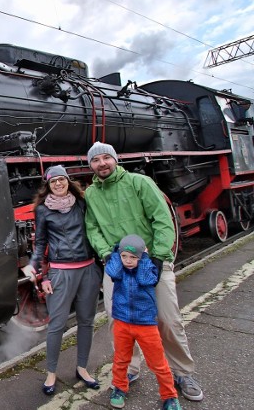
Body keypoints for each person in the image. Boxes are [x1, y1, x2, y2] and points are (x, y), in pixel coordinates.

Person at [84, 141, 203, 402]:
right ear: (90, 165)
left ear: (115, 160)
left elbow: (162, 218)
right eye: (96, 160)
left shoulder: (139, 182)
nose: (102, 163)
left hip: (150, 260)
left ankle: (182, 373)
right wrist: (106, 254)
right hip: (117, 264)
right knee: (119, 321)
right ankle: (129, 369)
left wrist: (160, 256)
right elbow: (92, 228)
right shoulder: (91, 194)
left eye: (106, 157)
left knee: (167, 319)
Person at [22, 165, 102, 396]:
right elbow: (40, 244)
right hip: (60, 272)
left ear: (68, 181)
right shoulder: (43, 210)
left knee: (87, 321)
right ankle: (51, 373)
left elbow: (95, 230)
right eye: (53, 181)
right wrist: (41, 274)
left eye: (61, 179)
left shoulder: (82, 204)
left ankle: (82, 368)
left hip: (87, 269)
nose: (58, 183)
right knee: (56, 325)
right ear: (47, 185)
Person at [106, 234, 182, 410]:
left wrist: (145, 258)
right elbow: (113, 271)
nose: (128, 261)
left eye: (133, 257)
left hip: (145, 323)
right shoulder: (119, 269)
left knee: (158, 362)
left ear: (141, 256)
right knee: (120, 359)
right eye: (124, 256)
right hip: (122, 322)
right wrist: (117, 252)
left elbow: (146, 280)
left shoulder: (147, 267)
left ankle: (170, 396)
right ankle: (119, 387)